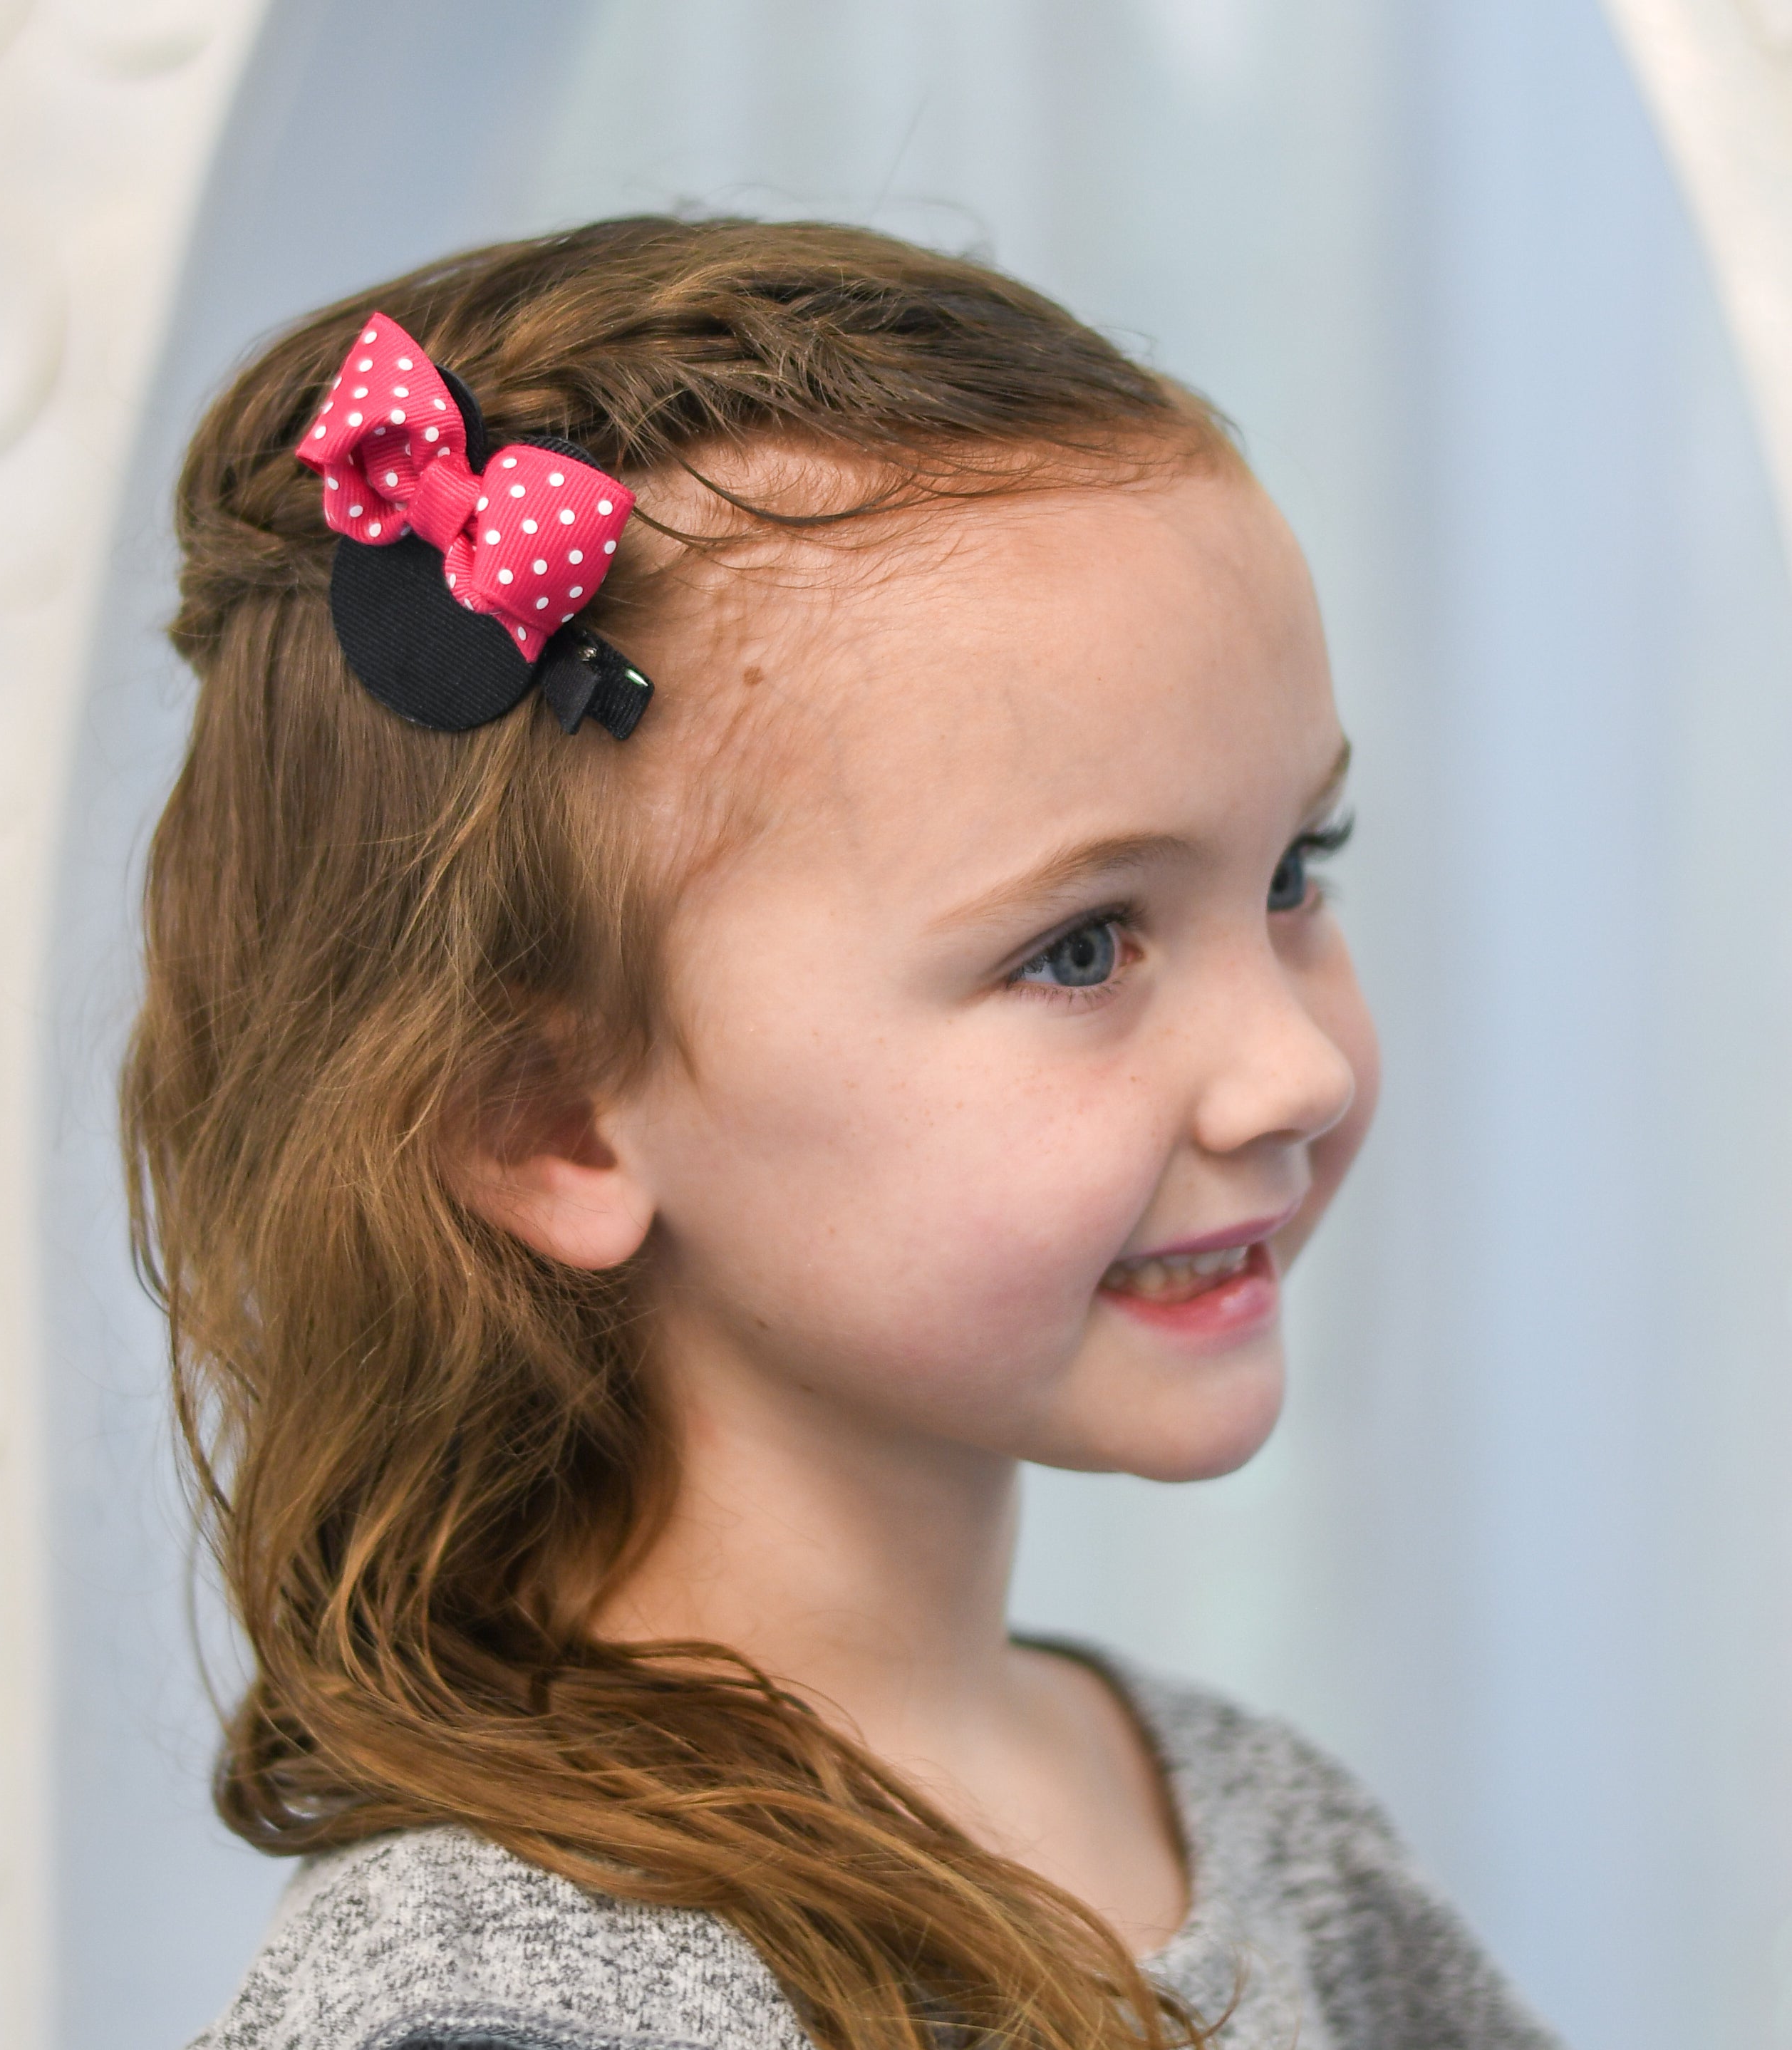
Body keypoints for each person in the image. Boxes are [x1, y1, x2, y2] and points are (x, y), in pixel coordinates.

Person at [131, 217, 1563, 2050]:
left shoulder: (1269, 1833)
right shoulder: (495, 2011)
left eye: (1292, 871)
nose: (1291, 1068)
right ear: (548, 1120)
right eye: (1079, 947)